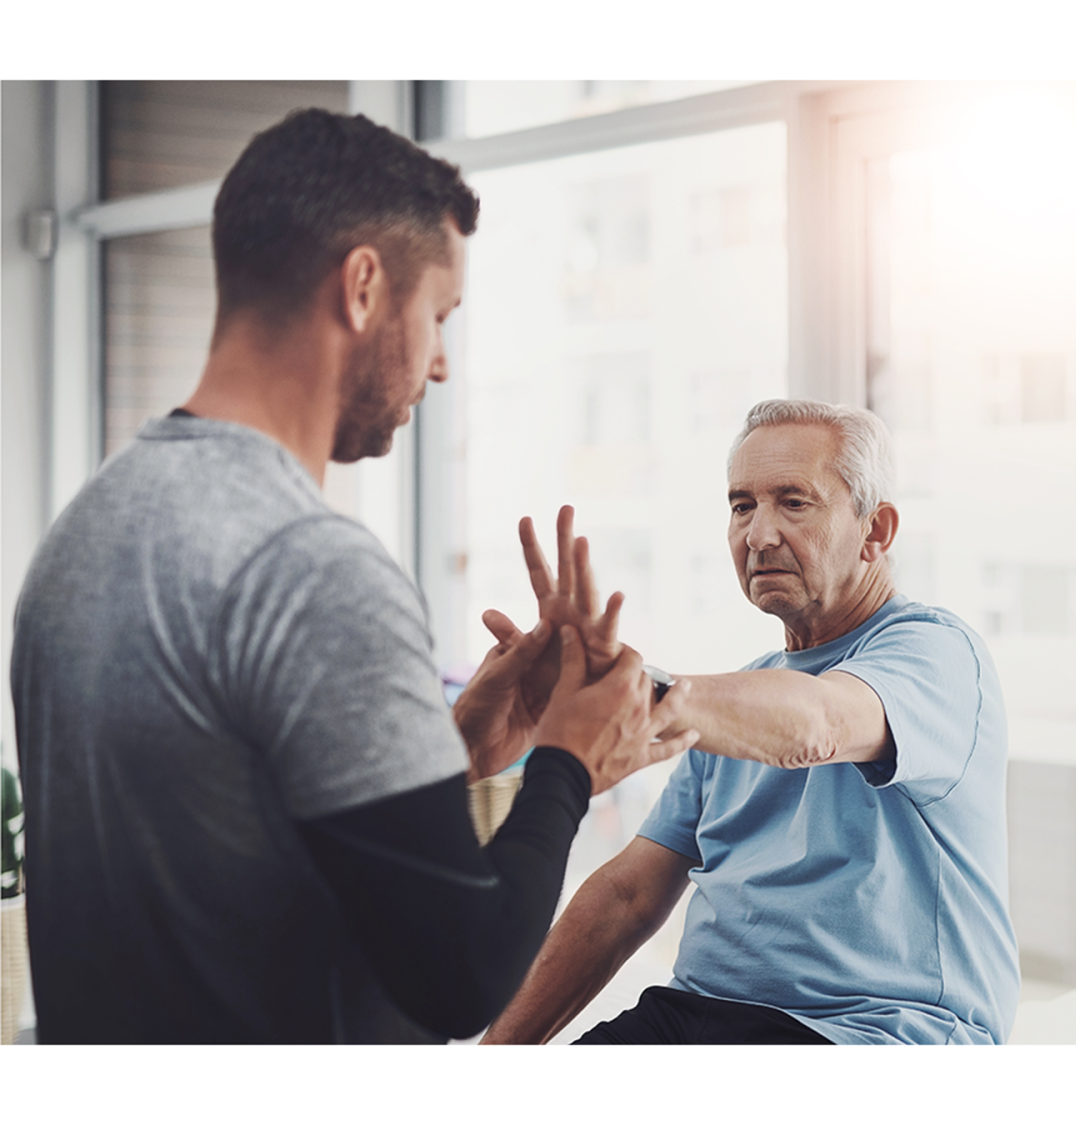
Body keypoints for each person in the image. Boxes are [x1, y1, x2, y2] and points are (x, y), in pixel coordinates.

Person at [9, 108, 696, 1044]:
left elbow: (220, 850)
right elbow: (461, 977)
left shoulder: (83, 532)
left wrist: (447, 752)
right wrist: (570, 761)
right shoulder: (311, 568)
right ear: (365, 285)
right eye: (440, 317)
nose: (443, 364)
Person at [482, 399, 1020, 1046]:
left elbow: (818, 722)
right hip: (696, 1017)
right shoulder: (736, 699)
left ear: (875, 530)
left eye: (794, 502)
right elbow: (627, 895)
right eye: (742, 505)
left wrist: (613, 694)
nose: (758, 534)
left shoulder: (935, 653)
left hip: (872, 1032)